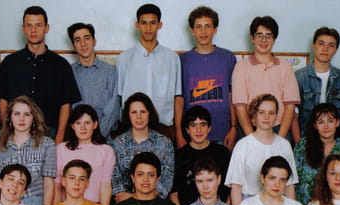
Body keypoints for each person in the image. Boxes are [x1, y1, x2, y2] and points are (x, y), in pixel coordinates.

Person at [0, 6, 81, 144]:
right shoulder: (10, 62)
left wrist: (59, 137)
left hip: (49, 133)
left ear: (47, 28)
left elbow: (66, 105)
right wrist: (7, 132)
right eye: (29, 25)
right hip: (16, 133)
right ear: (23, 28)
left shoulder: (61, 64)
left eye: (38, 25)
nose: (33, 30)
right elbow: (3, 101)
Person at [116, 3, 182, 141]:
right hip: (132, 128)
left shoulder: (172, 58)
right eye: (143, 23)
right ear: (137, 25)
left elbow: (177, 97)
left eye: (152, 23)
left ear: (160, 25)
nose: (148, 28)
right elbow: (119, 97)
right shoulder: (124, 59)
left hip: (164, 127)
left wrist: (179, 132)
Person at [177, 6, 237, 149]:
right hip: (192, 136)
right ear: (192, 30)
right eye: (198, 27)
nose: (203, 32)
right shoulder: (182, 60)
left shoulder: (228, 58)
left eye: (207, 26)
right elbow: (179, 100)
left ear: (215, 29)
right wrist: (179, 133)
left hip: (222, 133)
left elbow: (232, 96)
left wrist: (233, 127)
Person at [232, 15, 299, 138]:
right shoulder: (241, 67)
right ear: (252, 38)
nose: (264, 40)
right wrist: (252, 139)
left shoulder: (285, 67)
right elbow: (240, 107)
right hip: (249, 129)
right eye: (259, 35)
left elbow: (290, 107)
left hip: (279, 128)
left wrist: (280, 139)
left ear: (274, 39)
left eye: (269, 36)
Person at [225, 94, 298, 205]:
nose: (266, 117)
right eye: (261, 112)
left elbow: (289, 185)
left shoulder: (284, 145)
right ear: (254, 116)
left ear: (276, 116)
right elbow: (236, 187)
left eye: (271, 113)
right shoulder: (242, 146)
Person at [0, 96, 56, 205]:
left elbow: (49, 182)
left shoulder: (47, 144)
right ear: (10, 118)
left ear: (34, 118)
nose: (21, 119)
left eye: (27, 114)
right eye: (17, 114)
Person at [293, 27, 340, 145]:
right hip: (307, 141)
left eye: (331, 45)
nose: (325, 49)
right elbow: (293, 115)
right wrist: (299, 145)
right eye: (321, 43)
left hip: (338, 143)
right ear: (313, 46)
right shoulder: (298, 78)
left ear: (336, 49)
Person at [110, 92, 174, 202]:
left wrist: (144, 196)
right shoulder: (116, 144)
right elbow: (115, 179)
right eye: (134, 112)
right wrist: (130, 197)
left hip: (156, 201)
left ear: (150, 114)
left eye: (143, 112)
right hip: (125, 202)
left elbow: (167, 179)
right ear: (128, 115)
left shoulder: (165, 143)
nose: (138, 116)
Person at [55, 104, 115, 205]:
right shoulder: (61, 149)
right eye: (78, 123)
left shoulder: (106, 150)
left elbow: (105, 185)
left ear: (95, 125)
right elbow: (57, 184)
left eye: (87, 123)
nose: (82, 128)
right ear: (72, 126)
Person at [170, 106, 231, 205]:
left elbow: (230, 188)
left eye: (203, 125)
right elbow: (174, 194)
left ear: (209, 128)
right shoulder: (179, 156)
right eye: (193, 125)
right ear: (187, 129)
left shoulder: (222, 153)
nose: (198, 130)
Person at [293, 102, 340, 205]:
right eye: (321, 122)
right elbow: (293, 179)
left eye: (330, 121)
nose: (326, 126)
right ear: (315, 125)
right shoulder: (303, 145)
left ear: (337, 123)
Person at [67, 22, 120, 138]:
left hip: (103, 137)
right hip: (75, 138)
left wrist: (99, 134)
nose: (83, 44)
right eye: (77, 40)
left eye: (87, 38)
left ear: (94, 41)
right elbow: (66, 109)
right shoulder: (68, 72)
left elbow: (114, 107)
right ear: (73, 46)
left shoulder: (110, 72)